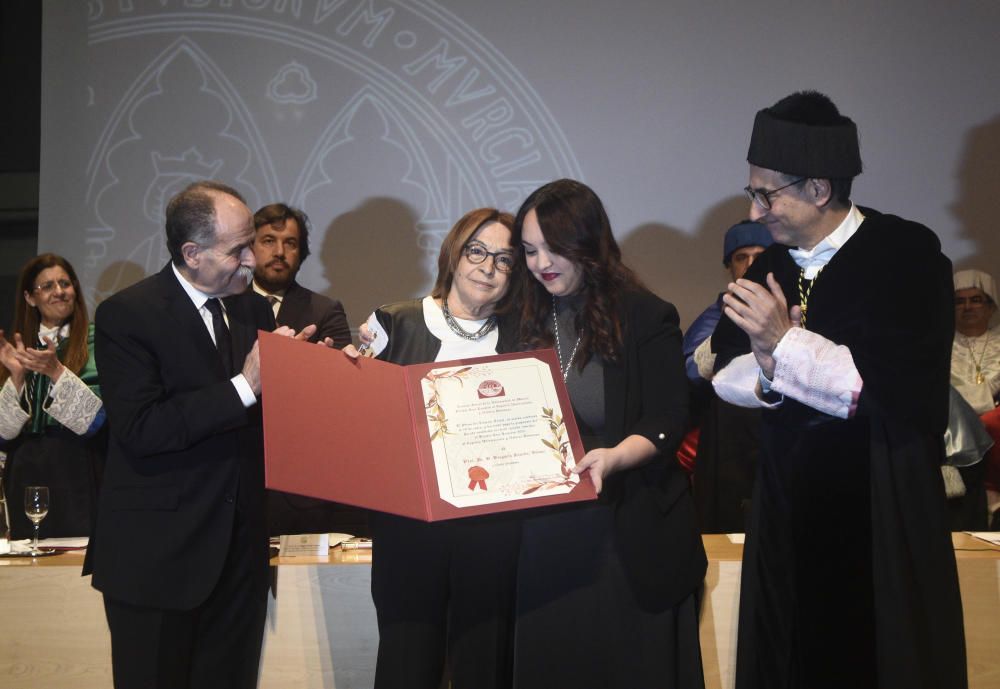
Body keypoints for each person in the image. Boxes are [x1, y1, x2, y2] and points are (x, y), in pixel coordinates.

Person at [711, 91, 966, 688]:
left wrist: (785, 343)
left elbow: (894, 385)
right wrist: (770, 359)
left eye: (765, 193)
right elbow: (724, 369)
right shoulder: (771, 261)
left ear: (818, 189)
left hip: (879, 500)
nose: (756, 209)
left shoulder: (906, 255)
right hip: (787, 505)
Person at [88, 180, 319, 689]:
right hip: (158, 561)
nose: (252, 262)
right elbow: (142, 427)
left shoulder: (252, 309)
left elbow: (267, 422)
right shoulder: (127, 315)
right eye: (238, 250)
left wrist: (310, 373)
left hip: (238, 558)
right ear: (191, 253)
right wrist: (246, 384)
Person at [510, 179, 706, 689]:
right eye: (530, 251)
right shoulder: (522, 318)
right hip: (546, 538)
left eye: (554, 248)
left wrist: (617, 457)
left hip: (627, 532)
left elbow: (669, 416)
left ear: (587, 243)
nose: (540, 263)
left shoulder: (644, 314)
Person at [361, 208, 523, 689]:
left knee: (484, 665)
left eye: (505, 259)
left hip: (492, 531)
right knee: (406, 664)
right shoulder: (395, 321)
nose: (487, 267)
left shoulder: (523, 339)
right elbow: (365, 424)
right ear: (454, 253)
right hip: (410, 530)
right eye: (477, 250)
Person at [251, 202, 363, 536]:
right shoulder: (227, 307)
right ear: (249, 248)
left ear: (302, 253)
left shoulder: (324, 310)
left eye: (290, 243)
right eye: (268, 240)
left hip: (301, 476)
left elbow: (343, 388)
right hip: (238, 466)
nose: (279, 252)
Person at [0, 253, 105, 540]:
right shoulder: (19, 349)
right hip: (26, 470)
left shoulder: (97, 340)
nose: (59, 291)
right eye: (47, 286)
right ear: (30, 298)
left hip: (78, 467)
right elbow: (3, 434)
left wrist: (56, 371)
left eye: (65, 283)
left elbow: (96, 421)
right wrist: (17, 377)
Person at [679, 221, 771, 532]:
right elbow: (690, 375)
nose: (751, 265)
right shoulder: (714, 319)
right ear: (729, 266)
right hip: (728, 451)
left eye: (760, 255)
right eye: (741, 257)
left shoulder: (798, 310)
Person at [950, 268, 1000, 529]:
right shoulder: (940, 343)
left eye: (976, 299)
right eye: (960, 301)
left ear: (991, 306)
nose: (968, 307)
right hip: (955, 434)